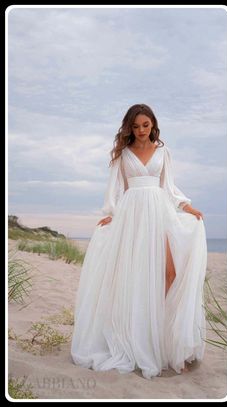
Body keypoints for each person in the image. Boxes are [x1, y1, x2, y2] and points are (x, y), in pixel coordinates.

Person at [71, 103, 207, 380]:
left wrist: (187, 207)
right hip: (131, 216)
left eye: (146, 125)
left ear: (153, 124)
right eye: (136, 126)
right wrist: (111, 214)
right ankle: (138, 342)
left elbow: (168, 187)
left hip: (160, 213)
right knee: (134, 278)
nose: (141, 131)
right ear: (129, 128)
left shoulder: (163, 152)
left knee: (170, 274)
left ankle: (168, 346)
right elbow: (116, 188)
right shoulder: (123, 154)